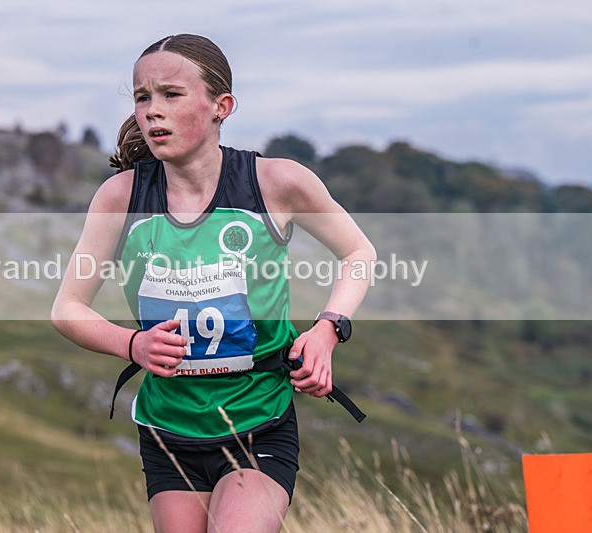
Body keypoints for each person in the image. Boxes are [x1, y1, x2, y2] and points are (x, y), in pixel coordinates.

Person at [52, 34, 376, 533]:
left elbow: (358, 253)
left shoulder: (276, 183)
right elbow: (68, 309)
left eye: (171, 95)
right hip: (168, 430)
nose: (152, 111)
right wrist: (133, 344)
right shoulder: (120, 199)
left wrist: (327, 330)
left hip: (258, 423)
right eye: (142, 97)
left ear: (221, 107)